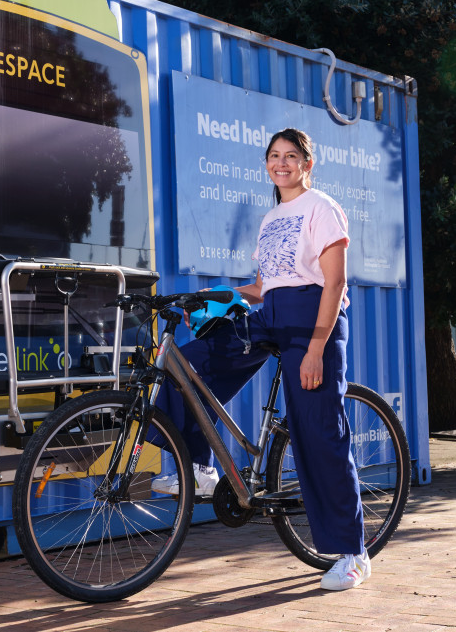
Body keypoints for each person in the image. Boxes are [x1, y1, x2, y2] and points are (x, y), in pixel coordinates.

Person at [151, 127, 369, 591]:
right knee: (189, 365)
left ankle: (352, 553)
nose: (282, 163)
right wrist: (212, 295)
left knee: (319, 431)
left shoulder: (322, 208)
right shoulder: (272, 218)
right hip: (271, 314)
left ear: (308, 164)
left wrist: (315, 350)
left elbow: (334, 284)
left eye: (292, 156)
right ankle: (200, 468)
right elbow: (264, 285)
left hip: (314, 319)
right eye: (274, 155)